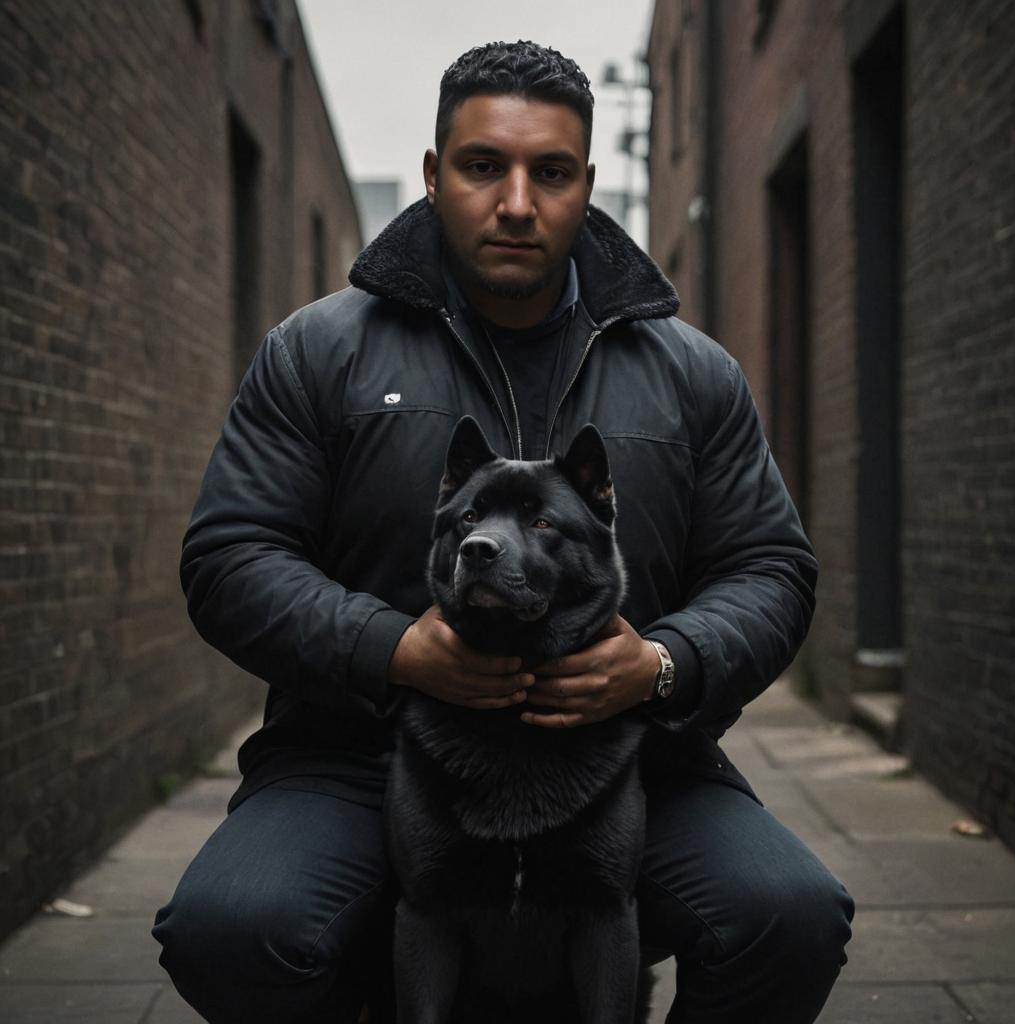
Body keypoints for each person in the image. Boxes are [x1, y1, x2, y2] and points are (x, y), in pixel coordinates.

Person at [153, 40, 853, 1023]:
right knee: (230, 928)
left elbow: (771, 567)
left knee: (789, 914)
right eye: (484, 166)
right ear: (437, 174)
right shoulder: (320, 351)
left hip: (627, 758)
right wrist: (391, 648)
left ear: (587, 185)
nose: (516, 202)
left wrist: (661, 663)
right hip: (361, 752)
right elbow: (228, 557)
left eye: (550, 172)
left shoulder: (692, 374)